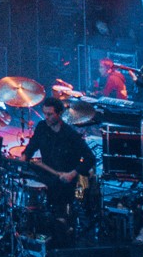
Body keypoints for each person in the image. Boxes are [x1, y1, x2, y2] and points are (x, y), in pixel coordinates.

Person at [22, 96, 95, 238]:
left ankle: (60, 225)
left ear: (59, 114)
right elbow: (31, 147)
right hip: (46, 174)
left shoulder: (70, 135)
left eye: (50, 114)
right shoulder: (42, 127)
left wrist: (73, 174)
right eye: (45, 114)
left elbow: (90, 158)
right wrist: (24, 157)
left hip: (64, 180)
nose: (46, 117)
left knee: (57, 203)